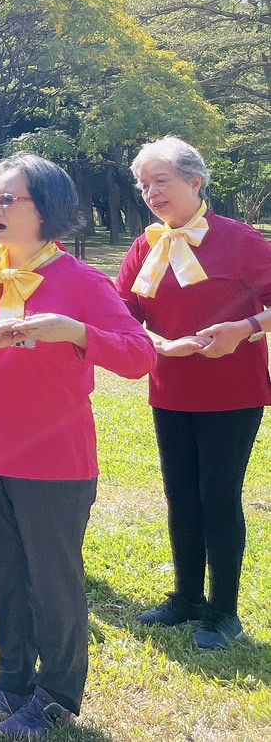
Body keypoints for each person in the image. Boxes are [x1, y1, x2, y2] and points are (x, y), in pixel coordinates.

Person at [0, 154, 153, 737]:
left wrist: (76, 332)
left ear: (44, 208)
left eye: (8, 199)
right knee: (4, 575)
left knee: (53, 581)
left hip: (53, 462)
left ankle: (56, 694)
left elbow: (138, 355)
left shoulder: (82, 281)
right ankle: (12, 679)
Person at [114, 136, 271, 651]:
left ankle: (224, 611)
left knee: (218, 496)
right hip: (170, 389)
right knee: (180, 495)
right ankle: (185, 598)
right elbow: (122, 315)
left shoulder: (242, 239)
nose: (151, 193)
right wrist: (155, 341)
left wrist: (245, 327)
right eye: (144, 185)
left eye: (162, 181)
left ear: (195, 181)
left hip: (232, 393)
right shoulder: (145, 246)